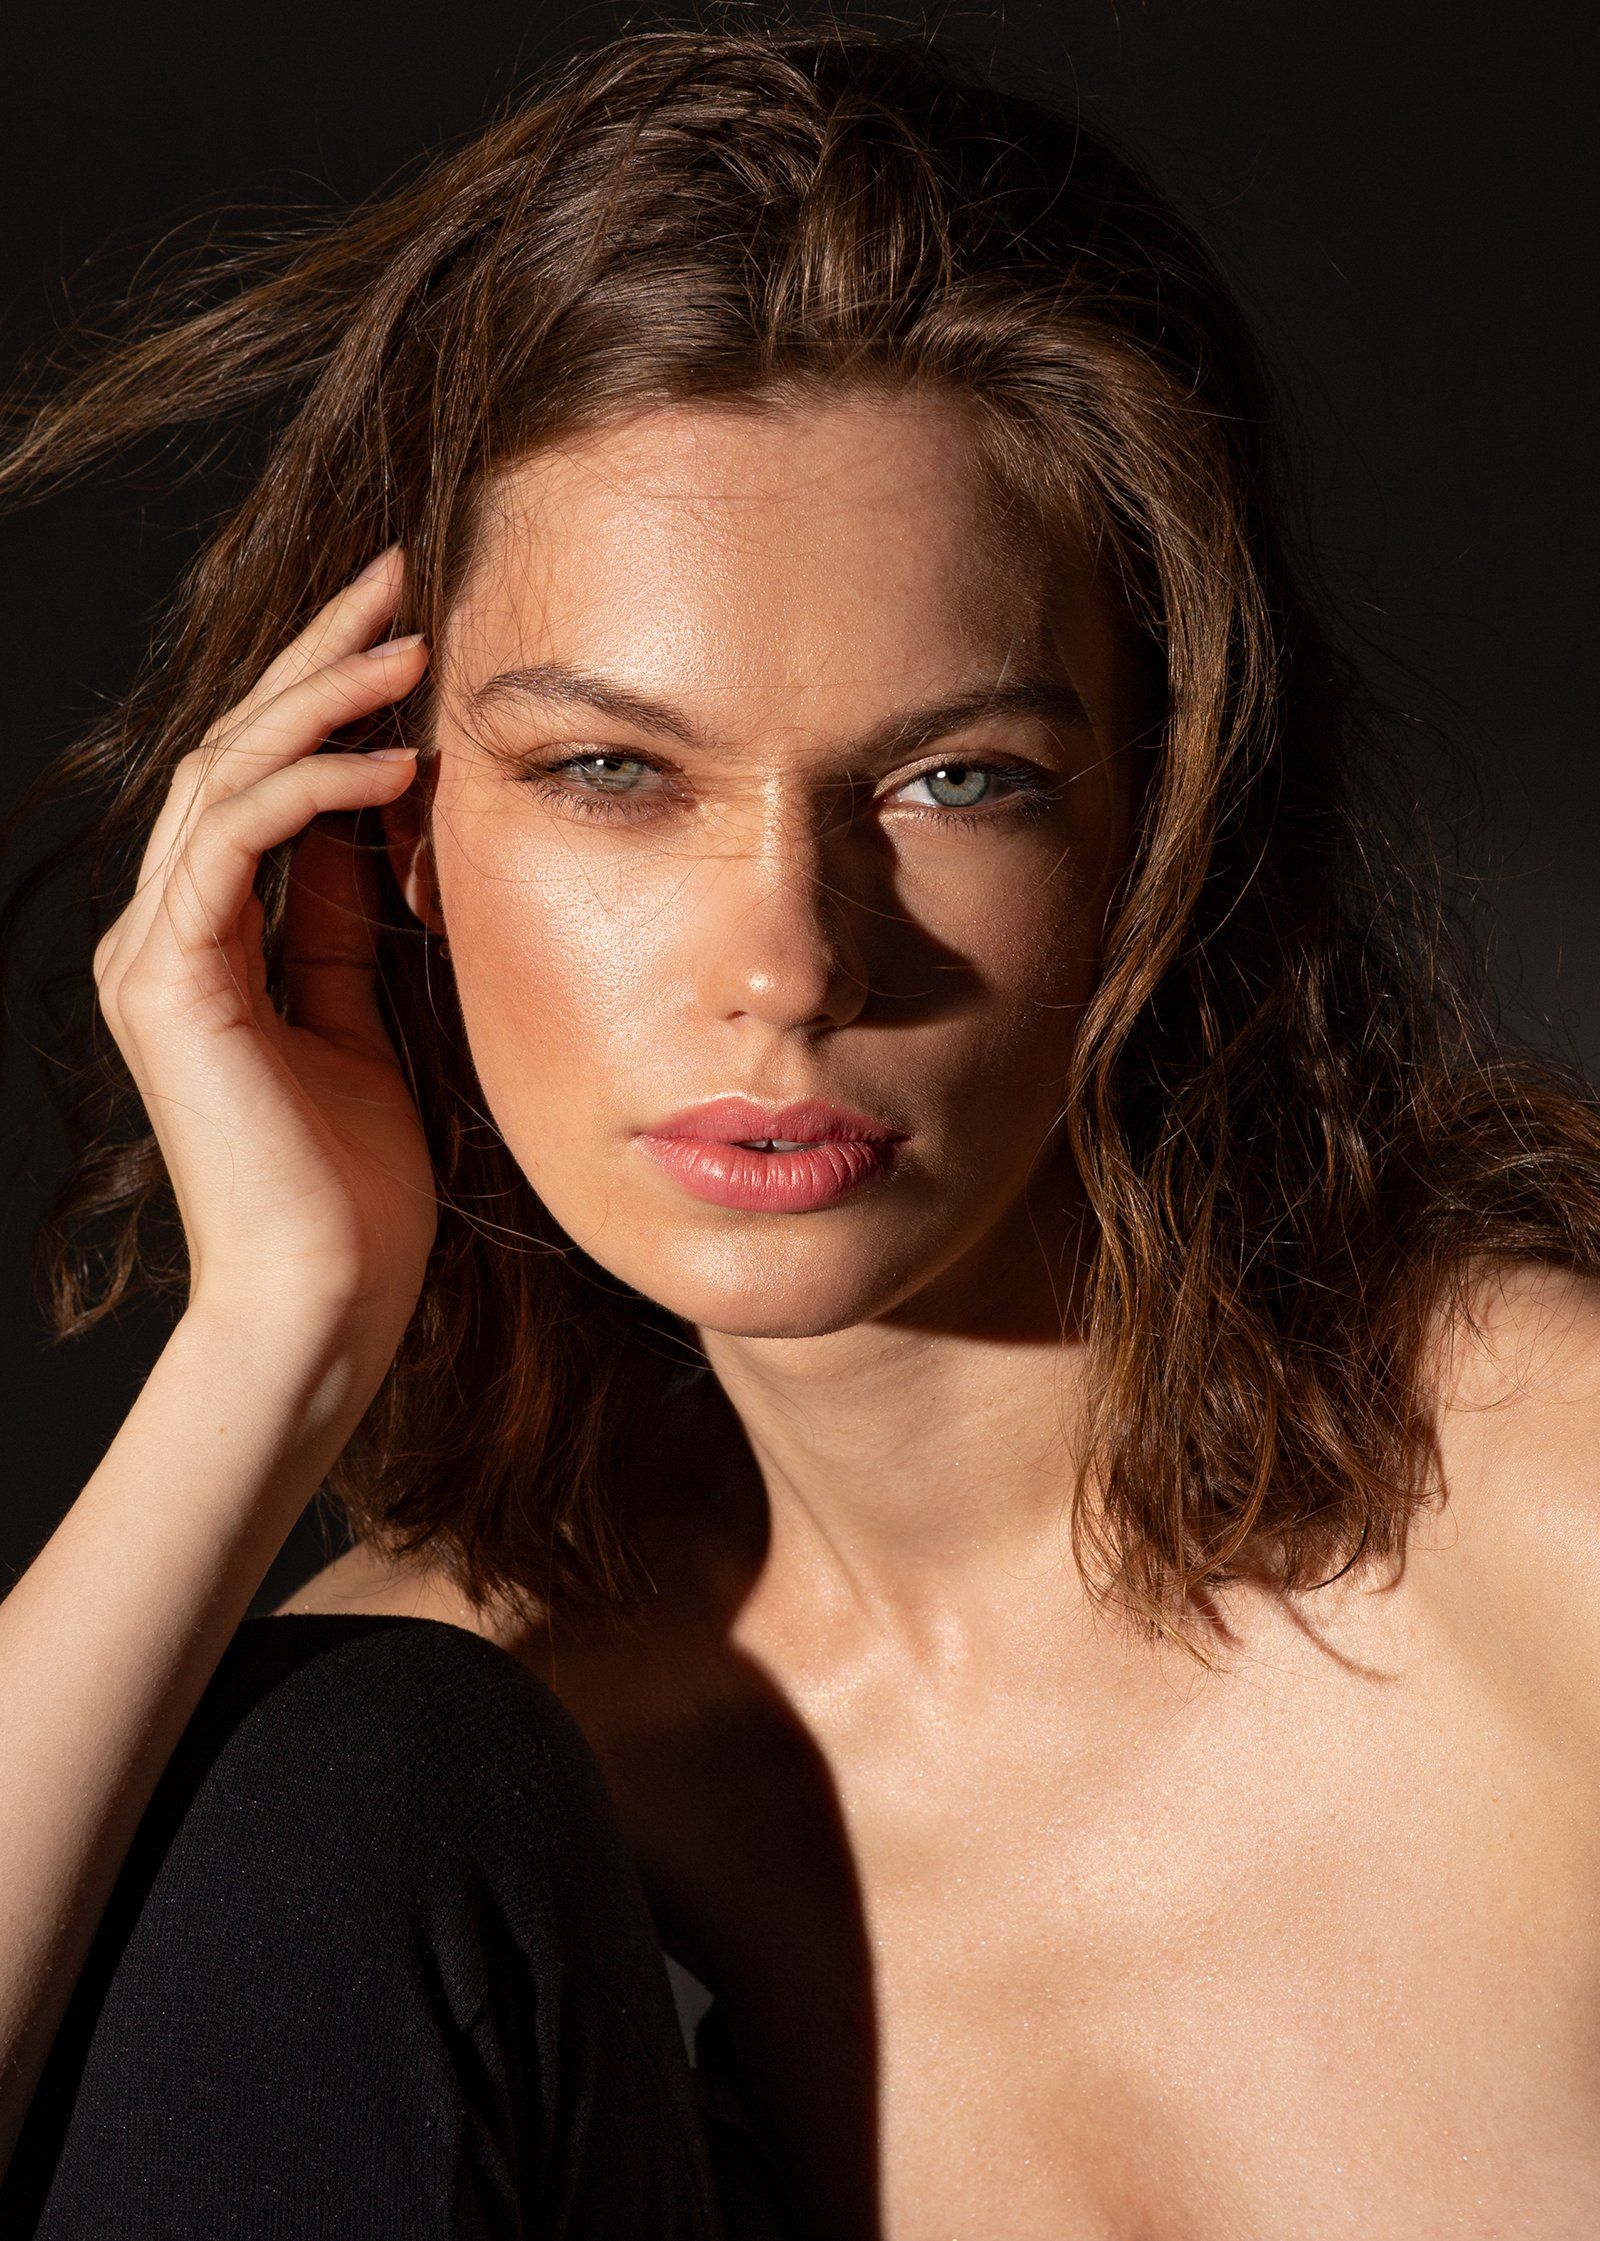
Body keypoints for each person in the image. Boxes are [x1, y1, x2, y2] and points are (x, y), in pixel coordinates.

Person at [1, 18, 1598, 2239]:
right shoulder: (466, 1737)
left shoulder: (1543, 1502)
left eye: (954, 779)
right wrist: (274, 1328)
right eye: (611, 773)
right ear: (395, 833)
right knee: (297, 1784)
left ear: (1152, 822)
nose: (787, 962)